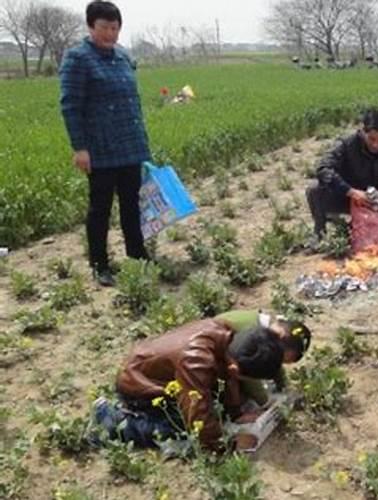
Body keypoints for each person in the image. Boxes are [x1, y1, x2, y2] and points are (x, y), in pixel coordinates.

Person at [91, 309, 312, 451]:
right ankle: (111, 419)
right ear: (235, 368)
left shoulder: (232, 340)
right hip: (140, 386)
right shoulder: (196, 361)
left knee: (221, 407)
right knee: (182, 428)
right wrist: (228, 445)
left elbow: (230, 377)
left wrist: (237, 413)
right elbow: (198, 412)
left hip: (167, 376)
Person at [59, 1, 151, 287]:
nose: (111, 33)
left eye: (115, 28)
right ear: (90, 26)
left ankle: (137, 255)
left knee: (131, 205)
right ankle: (100, 264)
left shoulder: (123, 57)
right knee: (100, 209)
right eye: (104, 28)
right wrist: (80, 147)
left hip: (130, 146)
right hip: (100, 149)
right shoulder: (78, 59)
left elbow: (132, 102)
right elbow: (70, 106)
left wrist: (142, 142)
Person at [305, 109, 378, 247]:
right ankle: (320, 233)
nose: (376, 145)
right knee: (314, 190)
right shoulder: (346, 145)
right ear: (363, 131)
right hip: (345, 196)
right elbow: (323, 168)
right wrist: (352, 192)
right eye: (371, 139)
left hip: (372, 202)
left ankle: (370, 233)